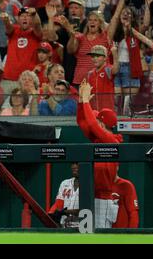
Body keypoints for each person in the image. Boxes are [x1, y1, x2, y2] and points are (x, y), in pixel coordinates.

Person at [77, 79, 122, 228]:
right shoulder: (99, 138)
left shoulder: (111, 140)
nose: (96, 121)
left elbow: (91, 124)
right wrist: (81, 103)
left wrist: (85, 101)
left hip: (103, 199)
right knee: (86, 235)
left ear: (103, 124)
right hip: (90, 195)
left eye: (98, 120)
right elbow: (82, 123)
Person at [1, 7, 43, 95]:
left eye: (28, 16)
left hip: (27, 81)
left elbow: (38, 25)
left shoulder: (35, 33)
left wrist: (34, 14)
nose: (24, 18)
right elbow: (8, 27)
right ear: (18, 19)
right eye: (22, 16)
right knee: (1, 107)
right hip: (8, 79)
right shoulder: (14, 30)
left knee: (25, 108)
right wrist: (6, 20)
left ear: (32, 19)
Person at [87, 45, 119, 111]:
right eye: (93, 56)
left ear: (105, 58)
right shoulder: (90, 74)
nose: (95, 58)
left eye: (98, 56)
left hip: (107, 109)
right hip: (94, 110)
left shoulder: (108, 69)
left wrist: (115, 55)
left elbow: (115, 70)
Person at [48, 162, 80, 228]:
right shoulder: (65, 183)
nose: (74, 166)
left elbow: (86, 209)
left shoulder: (90, 184)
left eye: (77, 164)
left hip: (81, 223)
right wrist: (52, 213)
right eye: (73, 164)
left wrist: (65, 212)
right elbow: (59, 203)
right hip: (65, 223)